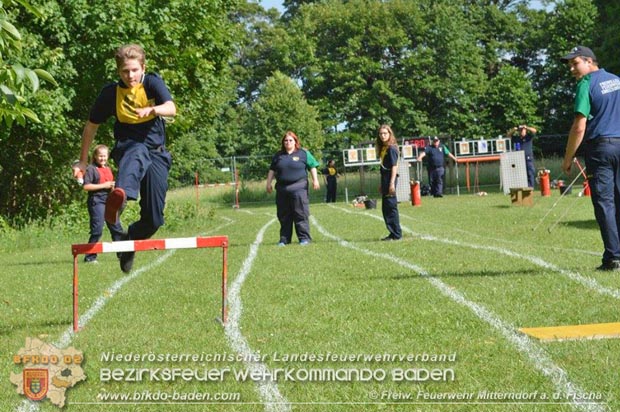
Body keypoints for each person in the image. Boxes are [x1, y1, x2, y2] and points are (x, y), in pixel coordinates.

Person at [73, 44, 176, 273]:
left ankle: (127, 242)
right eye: (124, 72)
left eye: (134, 70)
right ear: (118, 71)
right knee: (136, 152)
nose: (130, 76)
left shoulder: (151, 83)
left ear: (143, 68)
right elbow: (91, 126)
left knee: (155, 219)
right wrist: (82, 161)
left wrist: (153, 110)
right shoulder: (110, 93)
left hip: (157, 153)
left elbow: (171, 108)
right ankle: (119, 199)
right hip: (128, 147)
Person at [560, 45, 620, 271]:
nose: (572, 70)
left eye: (575, 64)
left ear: (589, 61)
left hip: (601, 148)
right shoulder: (616, 79)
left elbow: (579, 126)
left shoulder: (586, 84)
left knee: (605, 203)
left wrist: (568, 158)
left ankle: (613, 257)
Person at [266, 131, 320, 246]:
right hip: (282, 189)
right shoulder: (278, 155)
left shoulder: (303, 153)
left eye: (291, 140)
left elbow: (313, 166)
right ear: (283, 142)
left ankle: (304, 239)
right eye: (286, 140)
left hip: (299, 188)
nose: (288, 142)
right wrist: (268, 183)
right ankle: (284, 239)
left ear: (295, 141)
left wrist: (315, 180)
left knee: (301, 214)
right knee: (283, 215)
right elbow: (272, 170)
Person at [82, 145, 125, 263]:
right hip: (96, 201)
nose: (102, 158)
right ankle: (90, 257)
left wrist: (115, 191)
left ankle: (122, 255)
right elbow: (86, 186)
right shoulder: (91, 169)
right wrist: (104, 185)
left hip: (109, 201)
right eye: (100, 156)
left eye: (104, 156)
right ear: (95, 156)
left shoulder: (108, 169)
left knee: (116, 228)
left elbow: (110, 186)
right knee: (97, 229)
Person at [376, 125, 402, 240]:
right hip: (385, 178)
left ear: (389, 134)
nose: (383, 136)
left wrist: (391, 183)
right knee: (385, 207)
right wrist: (382, 183)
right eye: (381, 133)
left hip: (390, 178)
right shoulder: (384, 148)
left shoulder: (392, 148)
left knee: (391, 206)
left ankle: (396, 234)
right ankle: (392, 232)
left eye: (385, 133)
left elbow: (394, 167)